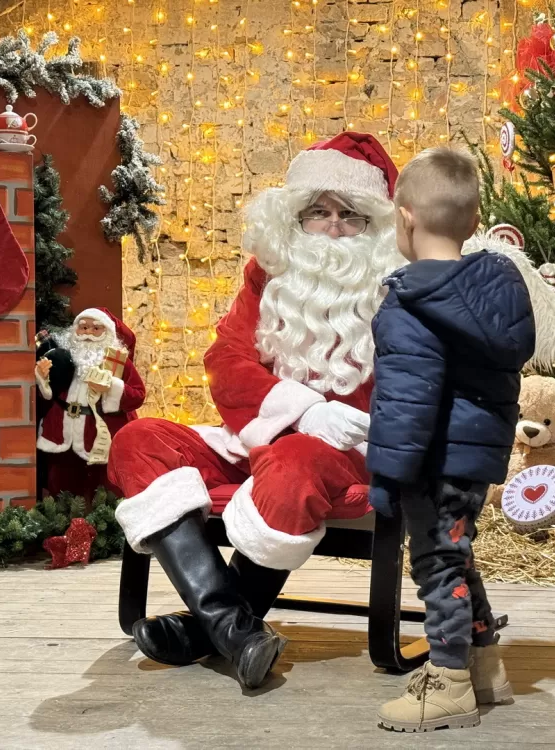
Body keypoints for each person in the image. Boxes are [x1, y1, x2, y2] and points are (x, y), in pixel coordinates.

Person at [109, 133, 405, 690]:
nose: (334, 227)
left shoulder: (395, 290)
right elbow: (227, 358)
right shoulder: (266, 277)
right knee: (138, 440)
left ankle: (211, 629)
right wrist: (303, 408)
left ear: (375, 227)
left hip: (350, 455)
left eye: (351, 215)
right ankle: (235, 630)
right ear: (297, 219)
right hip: (255, 441)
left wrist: (329, 425)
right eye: (319, 212)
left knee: (294, 460)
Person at [366, 148, 536, 732]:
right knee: (457, 557)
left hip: (433, 460)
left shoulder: (410, 303)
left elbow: (406, 405)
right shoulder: (493, 293)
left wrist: (387, 477)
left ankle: (449, 685)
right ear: (474, 218)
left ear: (406, 218)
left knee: (438, 567)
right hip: (474, 459)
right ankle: (485, 669)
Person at [36, 308, 146, 499]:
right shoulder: (63, 357)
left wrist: (110, 385)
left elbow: (137, 396)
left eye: (96, 329)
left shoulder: (118, 363)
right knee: (60, 484)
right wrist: (43, 380)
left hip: (97, 437)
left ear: (107, 333)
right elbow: (49, 394)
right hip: (62, 433)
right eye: (83, 327)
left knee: (102, 489)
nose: (88, 333)